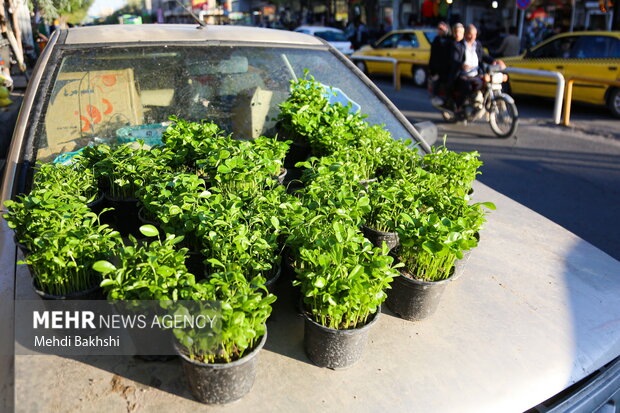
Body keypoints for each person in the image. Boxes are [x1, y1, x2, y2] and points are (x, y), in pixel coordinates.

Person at [451, 24, 504, 115]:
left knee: (485, 84)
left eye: (474, 34)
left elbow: (485, 56)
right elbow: (454, 60)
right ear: (466, 34)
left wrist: (495, 61)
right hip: (463, 75)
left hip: (476, 74)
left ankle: (479, 103)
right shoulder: (459, 45)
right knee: (467, 87)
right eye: (470, 34)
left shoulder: (477, 45)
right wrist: (461, 65)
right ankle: (458, 107)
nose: (472, 37)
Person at [428, 21, 452, 104]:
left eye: (441, 29)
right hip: (438, 68)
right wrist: (431, 69)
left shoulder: (450, 39)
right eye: (438, 29)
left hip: (448, 68)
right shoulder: (436, 40)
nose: (440, 31)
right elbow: (433, 55)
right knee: (436, 82)